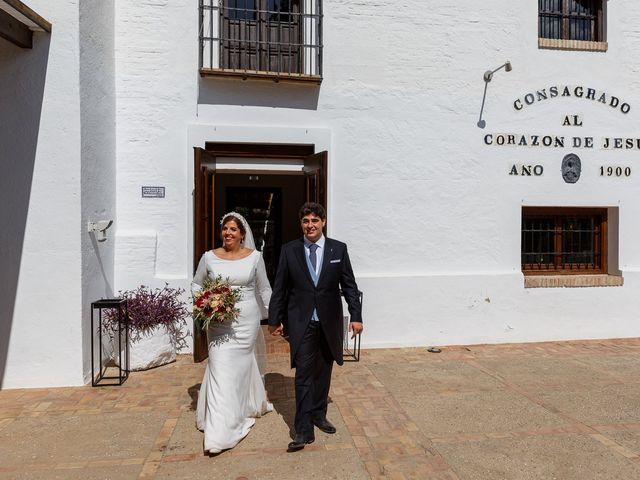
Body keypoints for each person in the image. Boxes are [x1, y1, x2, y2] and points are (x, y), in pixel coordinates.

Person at [268, 202, 363, 452]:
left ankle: (319, 414)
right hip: (302, 322)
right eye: (305, 221)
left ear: (323, 223)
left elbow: (349, 285)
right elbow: (280, 287)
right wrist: (274, 318)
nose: (310, 225)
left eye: (314, 221)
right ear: (301, 224)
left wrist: (356, 316)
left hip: (329, 322)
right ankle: (302, 429)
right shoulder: (290, 250)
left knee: (324, 372)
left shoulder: (338, 250)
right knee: (303, 375)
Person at [192, 212, 273, 454]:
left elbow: (265, 288)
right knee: (219, 366)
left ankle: (236, 411)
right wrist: (203, 304)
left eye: (233, 229)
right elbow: (197, 284)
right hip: (218, 323)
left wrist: (276, 317)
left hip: (245, 322)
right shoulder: (209, 257)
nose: (228, 233)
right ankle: (220, 432)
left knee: (238, 370)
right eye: (225, 229)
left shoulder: (255, 258)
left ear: (242, 234)